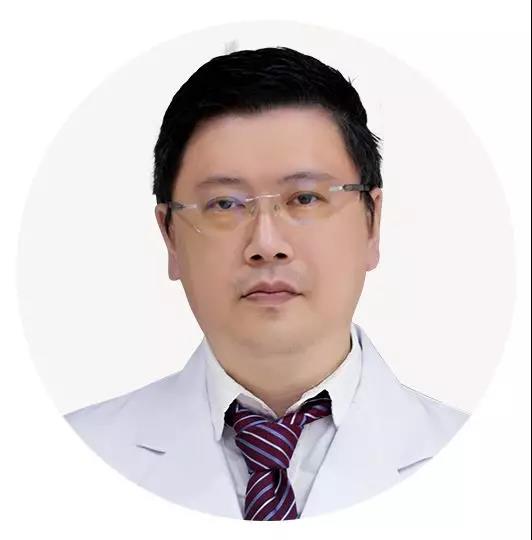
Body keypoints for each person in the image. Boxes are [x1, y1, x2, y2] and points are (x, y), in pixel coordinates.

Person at [65, 46, 469, 520]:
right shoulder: (64, 462)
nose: (267, 244)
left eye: (305, 198)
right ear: (170, 237)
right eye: (224, 204)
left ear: (372, 222)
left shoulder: (487, 465)